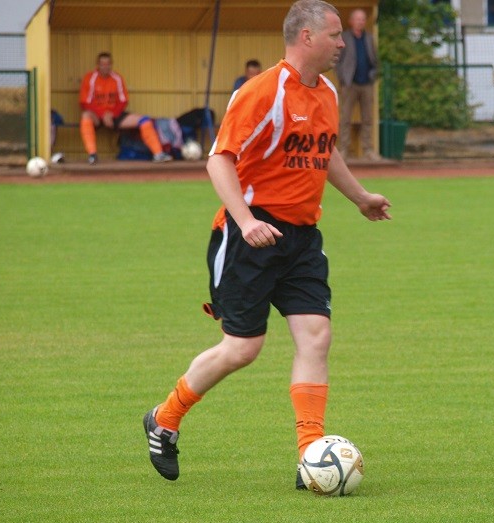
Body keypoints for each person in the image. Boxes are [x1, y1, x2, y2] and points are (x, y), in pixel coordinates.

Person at [143, 0, 391, 486]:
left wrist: (360, 197)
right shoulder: (262, 91)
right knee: (242, 348)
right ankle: (164, 419)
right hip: (249, 237)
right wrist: (245, 220)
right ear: (306, 37)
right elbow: (219, 159)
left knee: (316, 336)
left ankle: (309, 453)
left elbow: (325, 152)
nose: (343, 43)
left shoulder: (328, 93)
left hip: (302, 238)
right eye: (335, 35)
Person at [79, 52, 172, 164]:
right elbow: (85, 103)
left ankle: (158, 154)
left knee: (144, 120)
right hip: (97, 115)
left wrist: (111, 114)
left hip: (114, 114)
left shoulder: (117, 78)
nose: (105, 67)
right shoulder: (90, 78)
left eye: (108, 64)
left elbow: (123, 101)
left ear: (111, 65)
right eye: (102, 64)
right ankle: (92, 155)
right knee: (85, 116)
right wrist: (103, 115)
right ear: (97, 65)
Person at [335, 8, 380, 160]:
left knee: (368, 118)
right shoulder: (344, 37)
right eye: (358, 19)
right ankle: (344, 150)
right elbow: (337, 60)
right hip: (349, 84)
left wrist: (373, 74)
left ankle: (368, 150)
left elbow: (375, 60)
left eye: (363, 19)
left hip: (367, 84)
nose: (361, 22)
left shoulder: (369, 38)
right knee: (345, 118)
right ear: (351, 21)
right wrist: (342, 78)